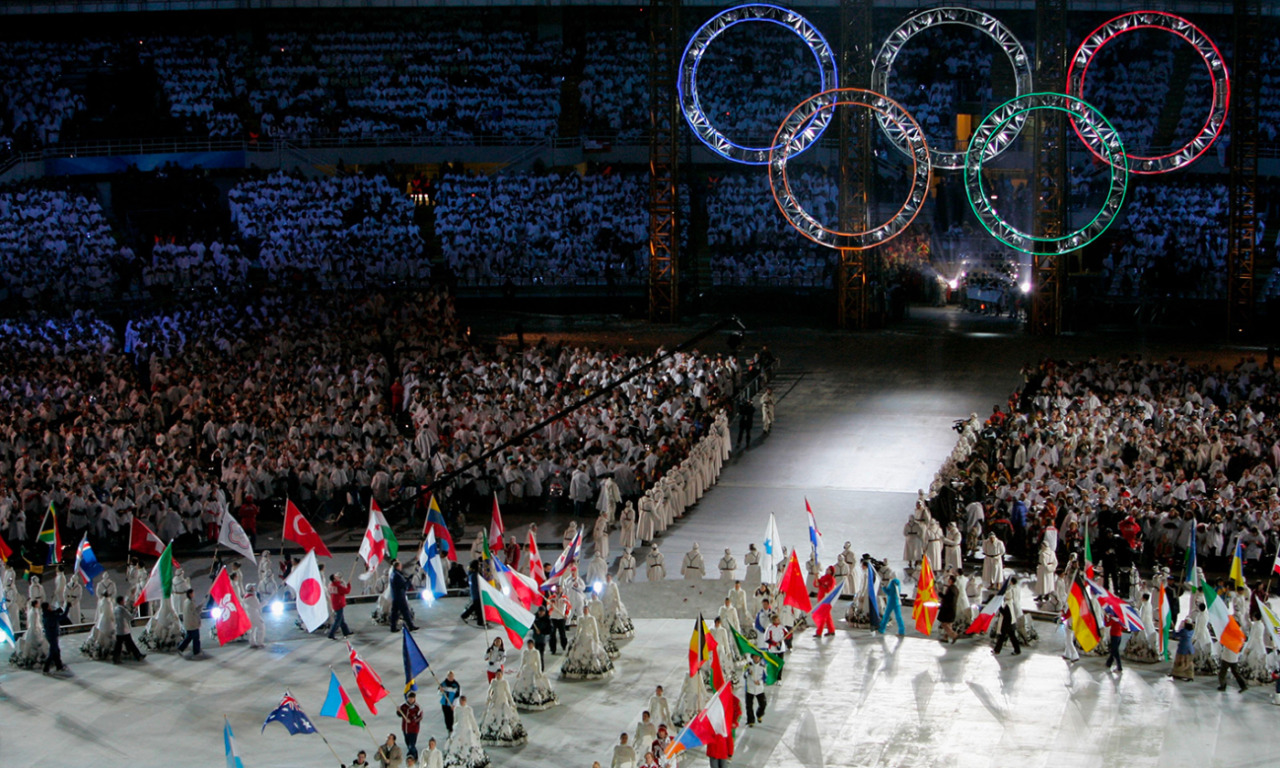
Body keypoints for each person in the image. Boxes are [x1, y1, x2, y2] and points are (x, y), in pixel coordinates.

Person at [112, 594, 146, 664]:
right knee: (129, 643)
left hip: (118, 629)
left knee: (119, 645)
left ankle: (116, 658)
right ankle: (138, 655)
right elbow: (131, 618)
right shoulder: (122, 609)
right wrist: (135, 611)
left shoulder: (115, 609)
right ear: (121, 601)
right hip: (124, 630)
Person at [389, 560, 418, 632]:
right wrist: (409, 580)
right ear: (397, 566)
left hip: (395, 596)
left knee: (394, 613)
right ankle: (411, 626)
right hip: (400, 597)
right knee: (405, 611)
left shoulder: (393, 574)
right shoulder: (397, 575)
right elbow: (404, 586)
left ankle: (393, 627)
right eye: (400, 566)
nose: (401, 567)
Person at [42, 600, 68, 674]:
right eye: (49, 606)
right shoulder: (50, 616)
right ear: (47, 608)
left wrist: (56, 611)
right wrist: (67, 608)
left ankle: (59, 666)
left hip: (50, 635)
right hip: (53, 635)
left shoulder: (46, 615)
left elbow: (53, 614)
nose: (50, 607)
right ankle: (46, 668)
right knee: (53, 652)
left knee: (56, 651)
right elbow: (63, 616)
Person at [176, 588, 203, 658]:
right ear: (190, 594)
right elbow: (195, 613)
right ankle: (196, 651)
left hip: (187, 624)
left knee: (188, 637)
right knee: (196, 638)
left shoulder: (186, 602)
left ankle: (181, 648)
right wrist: (200, 608)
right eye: (193, 593)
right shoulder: (191, 603)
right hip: (193, 624)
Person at [877, 569, 905, 637]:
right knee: (898, 616)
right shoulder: (898, 583)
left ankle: (882, 628)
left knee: (886, 615)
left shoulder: (892, 583)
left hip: (891, 601)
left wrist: (883, 588)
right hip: (897, 601)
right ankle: (901, 630)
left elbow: (889, 593)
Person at [397, 692, 423, 759]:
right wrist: (398, 711)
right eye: (409, 698)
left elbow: (420, 717)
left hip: (414, 729)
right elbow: (400, 715)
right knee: (408, 743)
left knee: (412, 744)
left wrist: (411, 721)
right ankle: (414, 754)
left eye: (412, 698)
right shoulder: (404, 706)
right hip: (405, 729)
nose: (411, 699)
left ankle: (412, 757)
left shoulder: (417, 707)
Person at [328, 573, 353, 639]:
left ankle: (346, 632)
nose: (337, 577)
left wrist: (341, 582)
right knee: (338, 621)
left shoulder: (331, 585)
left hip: (335, 603)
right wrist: (348, 585)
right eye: (336, 577)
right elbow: (347, 591)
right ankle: (331, 633)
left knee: (341, 619)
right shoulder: (338, 587)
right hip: (339, 604)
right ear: (334, 579)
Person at [459, 560, 484, 628]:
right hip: (477, 593)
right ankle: (480, 621)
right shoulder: (475, 575)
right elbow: (478, 584)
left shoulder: (471, 573)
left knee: (474, 606)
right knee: (478, 608)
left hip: (474, 593)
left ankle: (464, 615)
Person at [744, 654, 767, 727]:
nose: (756, 658)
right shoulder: (748, 665)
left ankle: (759, 714)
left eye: (758, 657)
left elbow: (765, 678)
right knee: (749, 706)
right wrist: (748, 673)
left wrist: (760, 682)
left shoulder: (763, 666)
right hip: (750, 688)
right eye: (755, 656)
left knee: (763, 704)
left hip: (759, 689)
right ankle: (750, 721)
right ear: (752, 657)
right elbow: (744, 675)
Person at [937, 574, 959, 644]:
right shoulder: (956, 589)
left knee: (945, 624)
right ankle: (945, 637)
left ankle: (954, 635)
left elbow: (946, 598)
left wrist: (940, 593)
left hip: (948, 609)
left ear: (951, 581)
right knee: (949, 624)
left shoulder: (950, 589)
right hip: (952, 608)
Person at [548, 586, 569, 652]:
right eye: (557, 588)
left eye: (559, 588)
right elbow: (548, 608)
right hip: (553, 617)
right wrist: (550, 605)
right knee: (552, 634)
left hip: (561, 617)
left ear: (561, 589)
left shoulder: (565, 598)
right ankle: (553, 649)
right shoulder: (551, 598)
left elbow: (568, 607)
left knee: (562, 633)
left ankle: (565, 647)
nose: (558, 589)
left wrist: (566, 615)